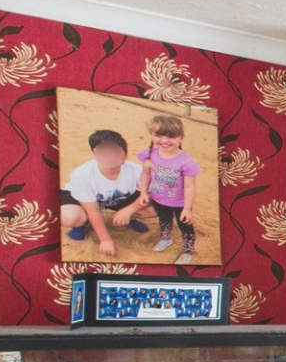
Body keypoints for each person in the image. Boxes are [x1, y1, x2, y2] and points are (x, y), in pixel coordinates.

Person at [58, 129, 149, 258]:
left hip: (118, 197)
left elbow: (151, 192)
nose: (109, 156)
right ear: (95, 153)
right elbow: (93, 210)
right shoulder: (81, 175)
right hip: (83, 200)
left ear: (125, 154)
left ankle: (126, 218)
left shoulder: (135, 170)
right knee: (68, 217)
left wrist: (128, 211)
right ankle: (83, 223)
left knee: (155, 209)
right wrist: (105, 240)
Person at [136, 113, 203, 264]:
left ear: (181, 138)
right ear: (151, 135)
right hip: (159, 198)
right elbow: (146, 173)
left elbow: (190, 187)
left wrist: (187, 209)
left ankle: (188, 250)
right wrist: (143, 192)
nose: (165, 141)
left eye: (171, 136)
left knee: (185, 226)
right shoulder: (149, 154)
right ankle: (166, 238)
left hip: (180, 203)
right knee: (164, 219)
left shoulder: (186, 162)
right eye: (159, 135)